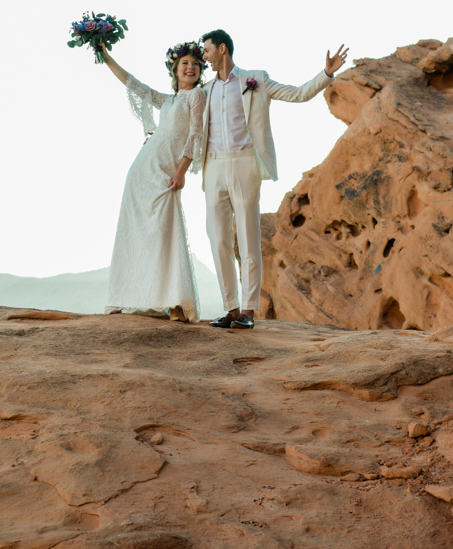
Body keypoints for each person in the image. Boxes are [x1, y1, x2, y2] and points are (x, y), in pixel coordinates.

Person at [199, 29, 349, 330]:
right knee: (218, 240)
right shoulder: (205, 90)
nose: (204, 56)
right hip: (213, 166)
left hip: (244, 164)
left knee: (249, 237)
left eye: (207, 50)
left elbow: (297, 94)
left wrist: (326, 74)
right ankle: (230, 308)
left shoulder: (256, 79)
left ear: (222, 50)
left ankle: (248, 311)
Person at [98, 40, 206, 322]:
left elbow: (195, 134)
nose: (190, 67)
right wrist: (107, 57)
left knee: (166, 229)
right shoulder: (168, 100)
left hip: (167, 171)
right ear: (175, 69)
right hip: (142, 170)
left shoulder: (197, 97)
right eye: (185, 63)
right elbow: (133, 84)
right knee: (137, 231)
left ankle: (176, 303)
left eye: (195, 64)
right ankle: (126, 295)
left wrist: (182, 170)